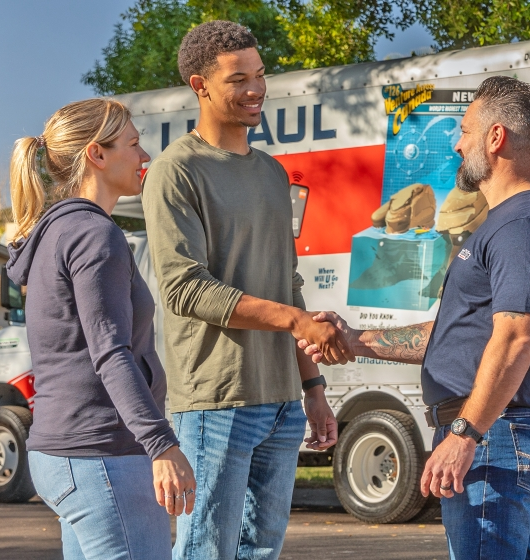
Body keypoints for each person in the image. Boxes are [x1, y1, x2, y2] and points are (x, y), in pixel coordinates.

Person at [301, 76, 530, 559]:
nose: (456, 143)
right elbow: (452, 335)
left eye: (465, 131)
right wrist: (355, 338)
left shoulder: (522, 227)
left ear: (496, 137)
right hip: (491, 434)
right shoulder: (502, 224)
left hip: (493, 436)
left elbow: (515, 339)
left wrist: (466, 433)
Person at [141, 20, 344, 560]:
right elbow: (185, 290)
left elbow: (288, 284)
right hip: (216, 401)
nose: (256, 89)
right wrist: (295, 321)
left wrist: (313, 388)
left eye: (259, 75)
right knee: (205, 552)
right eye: (237, 80)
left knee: (261, 552)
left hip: (282, 401)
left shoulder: (273, 174)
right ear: (200, 86)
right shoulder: (175, 171)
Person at [6, 98, 196, 560]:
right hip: (102, 457)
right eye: (133, 143)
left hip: (68, 455)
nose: (144, 155)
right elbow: (111, 352)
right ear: (97, 154)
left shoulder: (59, 231)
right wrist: (162, 445)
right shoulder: (95, 235)